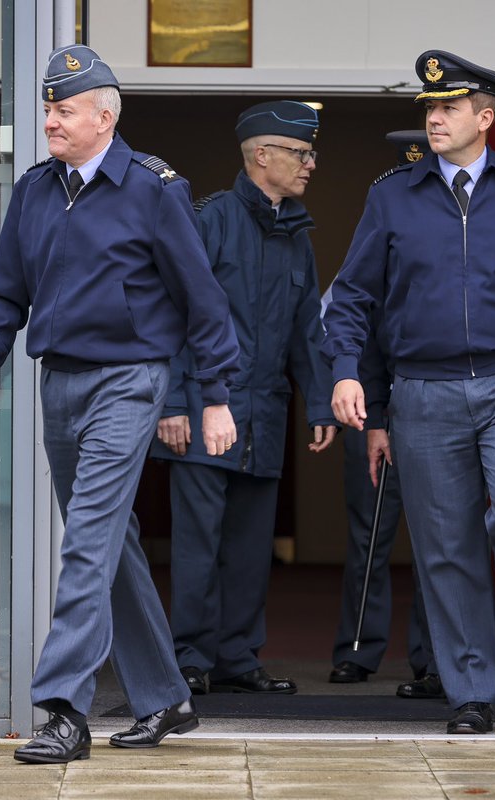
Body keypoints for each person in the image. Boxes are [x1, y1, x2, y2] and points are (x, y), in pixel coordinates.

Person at [0, 45, 241, 763]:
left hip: (129, 379)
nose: (51, 121)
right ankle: (166, 696)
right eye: (48, 109)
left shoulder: (154, 189)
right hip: (60, 382)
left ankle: (63, 710)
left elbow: (203, 301)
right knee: (110, 542)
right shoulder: (34, 190)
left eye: (64, 110)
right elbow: (5, 289)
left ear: (104, 117)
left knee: (85, 540)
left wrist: (214, 396)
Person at [323, 50, 495, 735]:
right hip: (424, 390)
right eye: (429, 108)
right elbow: (353, 298)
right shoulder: (392, 196)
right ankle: (472, 690)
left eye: (449, 107)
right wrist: (348, 373)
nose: (435, 118)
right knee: (446, 548)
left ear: (486, 117)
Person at [151, 100, 337, 697]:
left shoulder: (296, 234)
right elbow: (171, 315)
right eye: (301, 153)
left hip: (265, 413)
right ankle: (190, 658)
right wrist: (173, 404)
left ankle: (236, 656)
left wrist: (319, 402)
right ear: (262, 155)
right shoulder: (208, 220)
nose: (311, 164)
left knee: (253, 546)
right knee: (198, 545)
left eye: (311, 153)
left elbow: (308, 329)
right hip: (205, 408)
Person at [327, 129, 442, 701]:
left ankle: (433, 658)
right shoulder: (376, 234)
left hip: (438, 407)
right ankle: (357, 649)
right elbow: (338, 318)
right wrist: (371, 413)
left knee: (439, 538)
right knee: (370, 533)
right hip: (376, 407)